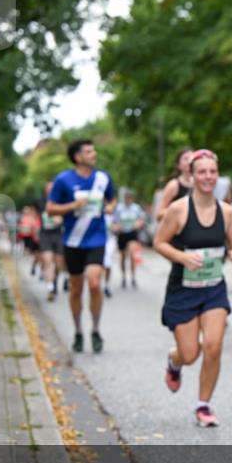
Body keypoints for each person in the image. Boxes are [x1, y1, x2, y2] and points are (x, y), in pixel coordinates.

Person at [154, 150, 232, 427]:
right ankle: (175, 360)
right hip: (183, 290)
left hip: (213, 289)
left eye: (212, 172)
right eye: (202, 172)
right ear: (191, 176)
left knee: (214, 346)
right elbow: (159, 242)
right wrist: (182, 257)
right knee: (190, 353)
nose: (208, 177)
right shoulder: (179, 209)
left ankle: (203, 405)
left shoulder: (227, 211)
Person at [46, 139, 116, 353]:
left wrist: (109, 208)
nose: (94, 154)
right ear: (78, 157)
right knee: (76, 288)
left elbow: (112, 200)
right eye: (89, 151)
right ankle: (78, 331)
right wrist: (73, 206)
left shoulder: (103, 178)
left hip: (97, 238)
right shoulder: (63, 180)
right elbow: (50, 208)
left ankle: (95, 329)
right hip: (73, 241)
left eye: (94, 150)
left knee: (94, 283)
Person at [39, 180, 66, 302]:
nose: (50, 190)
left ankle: (54, 281)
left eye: (52, 188)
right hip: (45, 235)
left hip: (59, 235)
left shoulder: (62, 202)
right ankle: (50, 288)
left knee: (59, 263)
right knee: (48, 260)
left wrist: (60, 219)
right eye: (48, 188)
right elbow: (34, 216)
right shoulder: (40, 202)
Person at [113, 190, 146, 289]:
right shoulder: (119, 208)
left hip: (132, 233)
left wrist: (138, 224)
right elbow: (114, 221)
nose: (128, 200)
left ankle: (133, 277)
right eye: (126, 198)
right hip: (122, 233)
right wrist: (116, 226)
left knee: (132, 255)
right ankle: (123, 276)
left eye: (129, 198)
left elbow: (141, 219)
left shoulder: (136, 208)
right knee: (123, 256)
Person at [155, 149, 194, 222]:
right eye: (186, 158)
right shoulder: (174, 185)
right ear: (178, 165)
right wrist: (180, 211)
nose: (189, 161)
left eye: (192, 158)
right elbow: (159, 214)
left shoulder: (200, 185)